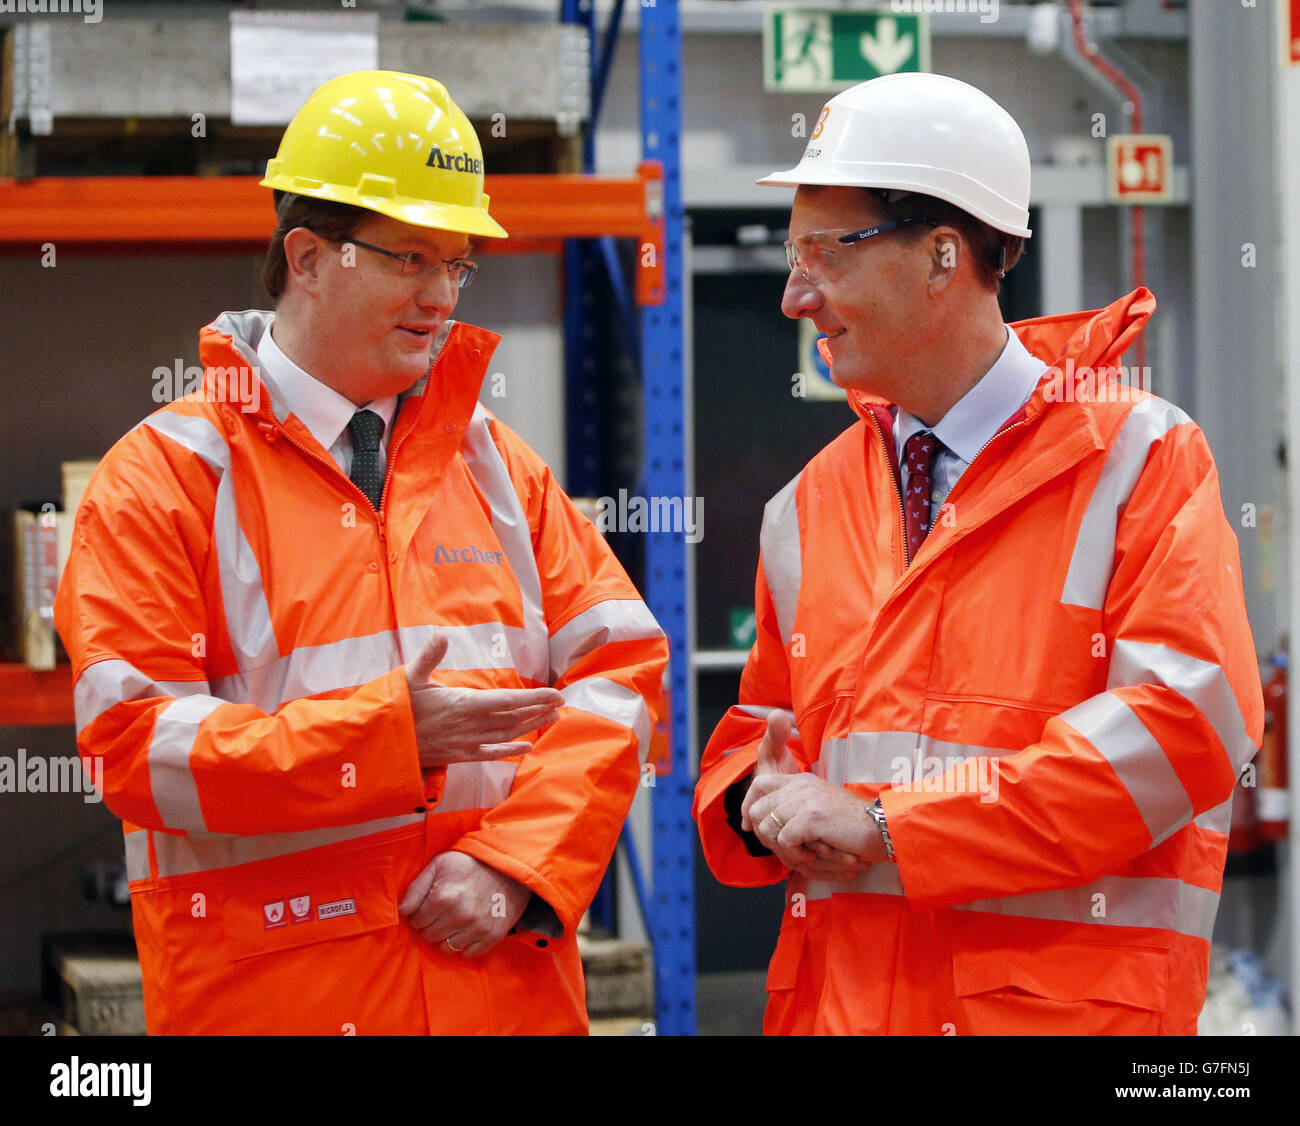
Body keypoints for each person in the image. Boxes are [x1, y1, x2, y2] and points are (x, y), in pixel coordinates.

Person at [55, 70, 667, 1035]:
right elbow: (137, 752)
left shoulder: (500, 467)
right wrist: (381, 742)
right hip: (277, 1002)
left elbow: (622, 677)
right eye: (409, 258)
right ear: (306, 255)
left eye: (458, 264)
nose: (441, 297)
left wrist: (517, 863)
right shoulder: (164, 480)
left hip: (497, 995)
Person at [693, 72, 1263, 1035]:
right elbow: (765, 721)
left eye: (821, 256)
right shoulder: (810, 502)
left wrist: (890, 828)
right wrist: (757, 790)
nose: (795, 296)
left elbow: (1185, 727)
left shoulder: (1140, 458)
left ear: (943, 256)